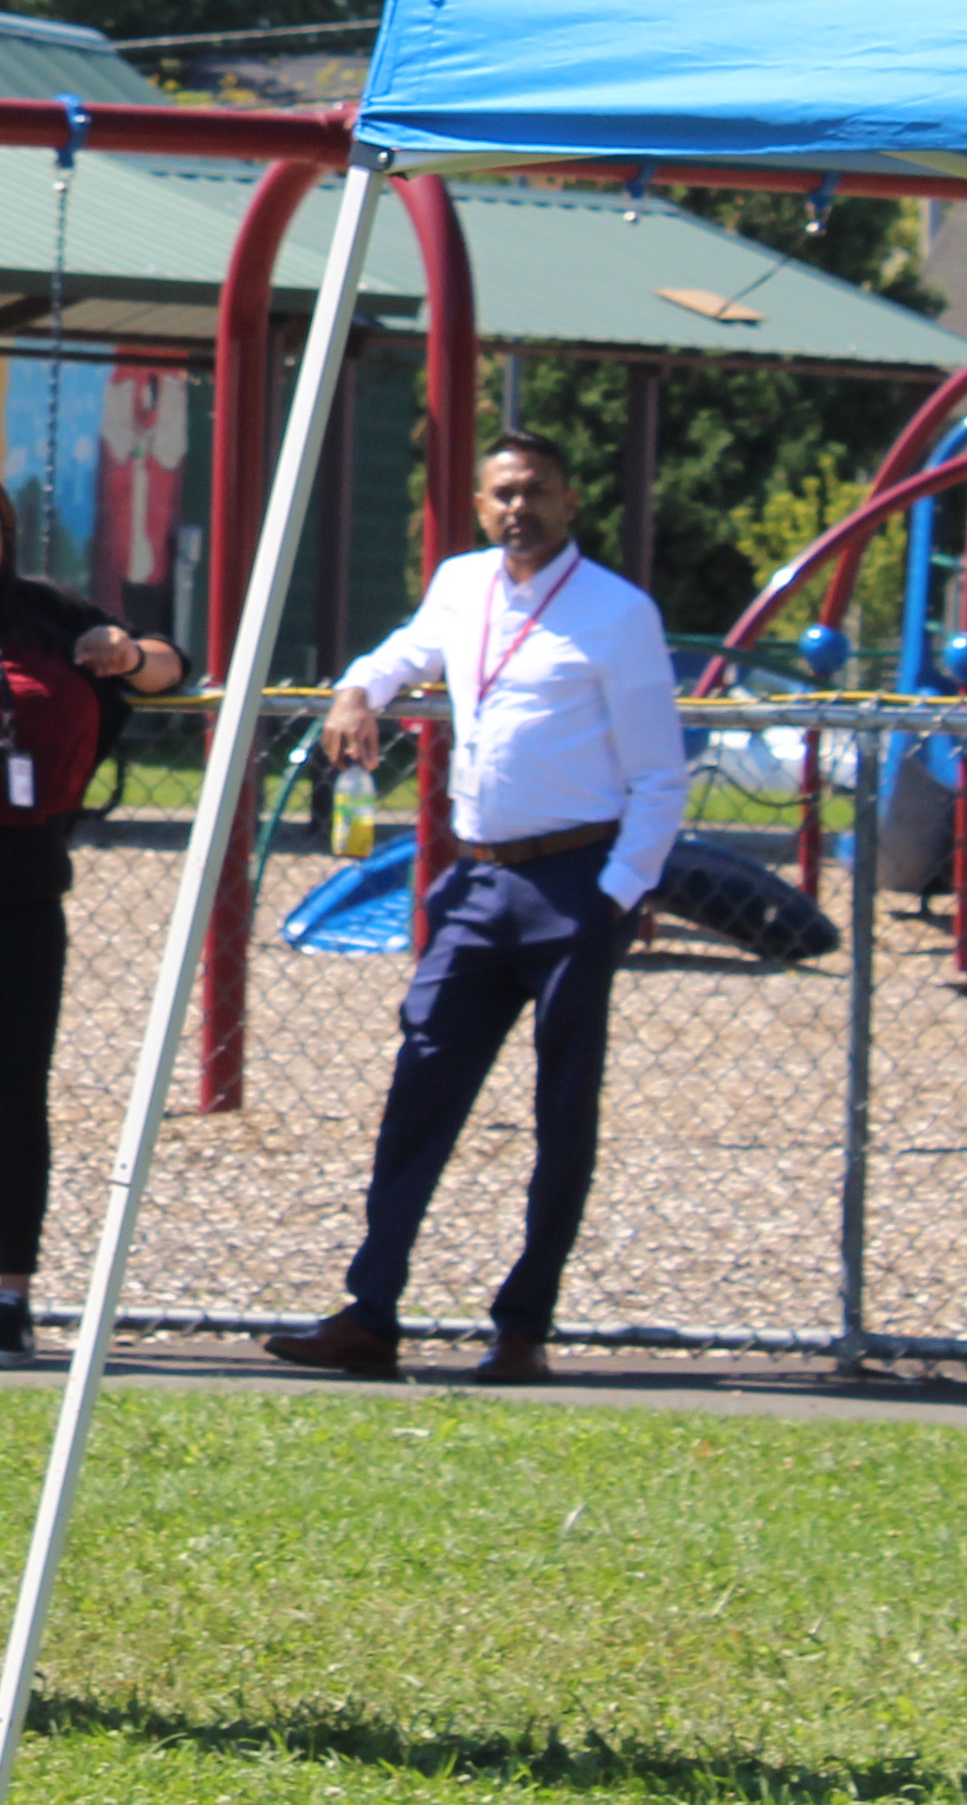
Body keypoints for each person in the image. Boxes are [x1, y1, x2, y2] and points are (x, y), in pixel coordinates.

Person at [262, 428, 683, 1389]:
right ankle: (370, 1312)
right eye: (501, 494)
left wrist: (614, 897)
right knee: (421, 1086)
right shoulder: (464, 585)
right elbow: (404, 651)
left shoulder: (619, 614)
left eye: (535, 491)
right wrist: (357, 690)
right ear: (480, 504)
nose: (517, 509)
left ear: (571, 501)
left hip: (575, 883)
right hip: (479, 880)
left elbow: (661, 777)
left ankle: (523, 1326)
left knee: (561, 1112)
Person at [0, 463, 188, 1371]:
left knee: (12, 1096)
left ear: (6, 539)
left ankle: (10, 1301)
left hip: (19, 903)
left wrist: (126, 656)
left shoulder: (50, 614)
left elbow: (174, 668)